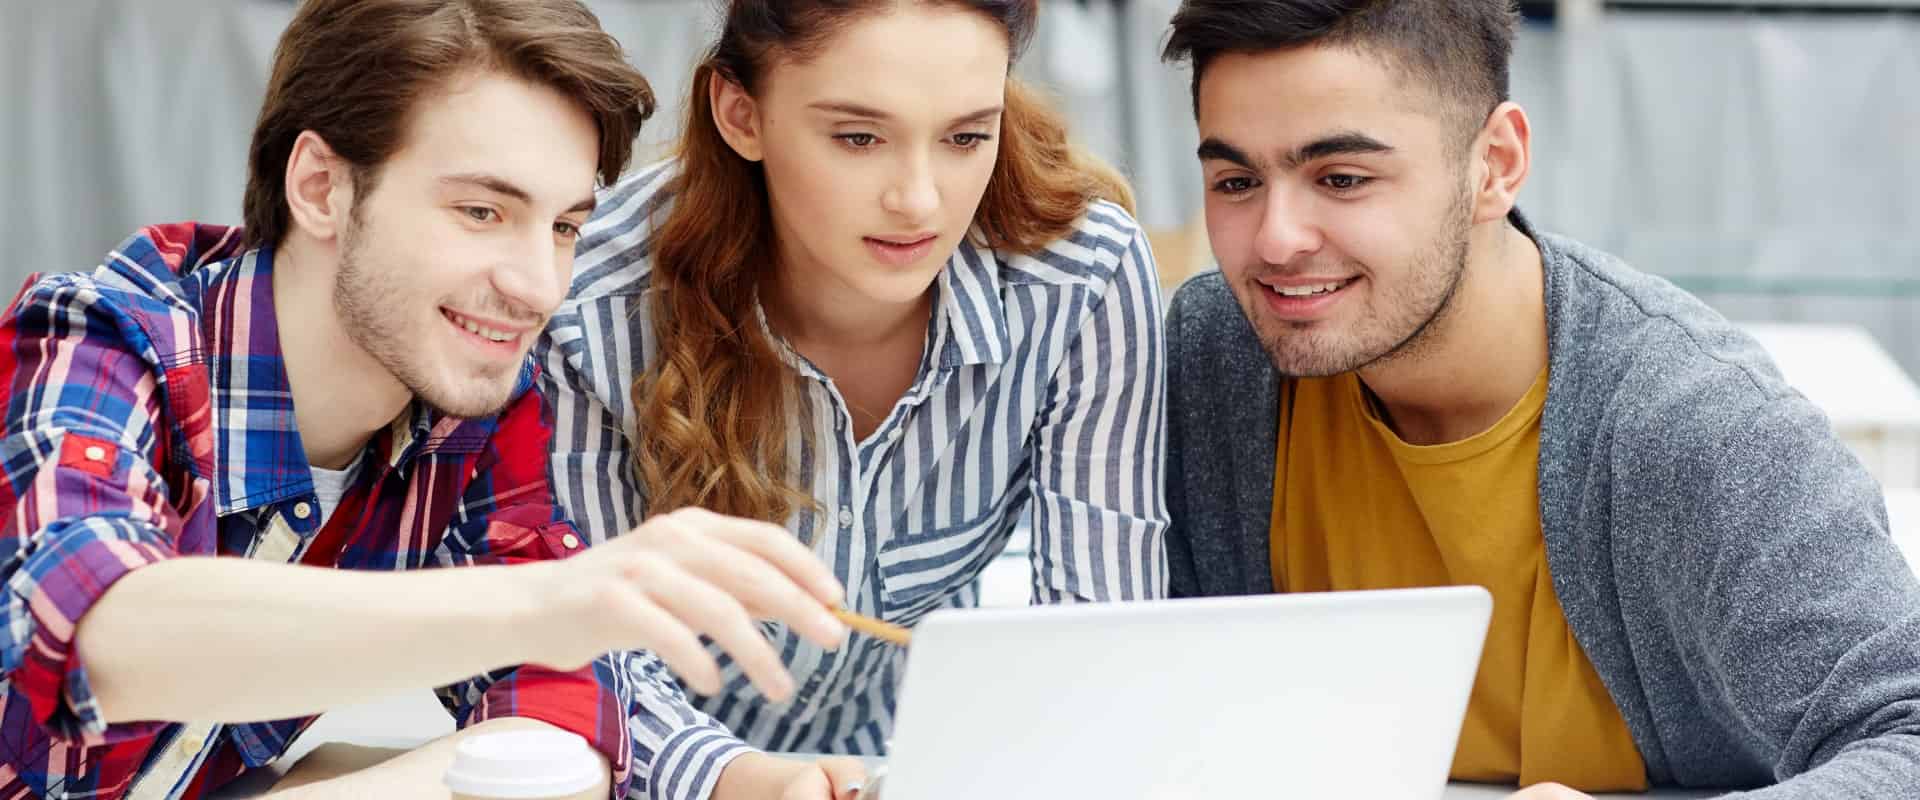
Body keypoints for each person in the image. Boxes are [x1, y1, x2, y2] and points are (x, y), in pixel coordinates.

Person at [0, 1, 852, 797]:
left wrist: (752, 781)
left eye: (563, 227)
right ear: (321, 188)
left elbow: (566, 700)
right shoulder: (93, 339)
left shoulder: (465, 417)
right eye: (482, 212)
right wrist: (549, 603)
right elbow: (101, 631)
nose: (538, 286)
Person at [1158, 1, 1920, 798]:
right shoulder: (1218, 360)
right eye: (1236, 182)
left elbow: (1906, 735)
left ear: (1495, 164)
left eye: (1342, 179)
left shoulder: (1696, 427)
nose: (1276, 240)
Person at [537, 1, 1170, 798]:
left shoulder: (1081, 276)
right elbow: (581, 649)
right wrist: (747, 782)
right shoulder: (587, 301)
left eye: (965, 137)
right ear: (740, 114)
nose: (919, 201)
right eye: (859, 138)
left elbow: (1099, 639)